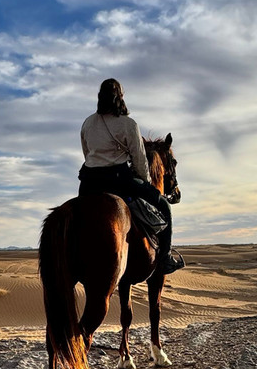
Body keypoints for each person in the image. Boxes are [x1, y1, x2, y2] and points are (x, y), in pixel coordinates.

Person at [78, 78, 184, 274]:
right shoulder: (128, 124)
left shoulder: (87, 123)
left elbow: (86, 153)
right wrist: (146, 182)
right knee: (164, 206)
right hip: (119, 181)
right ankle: (165, 258)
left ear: (100, 97)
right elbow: (140, 160)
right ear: (120, 97)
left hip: (88, 183)